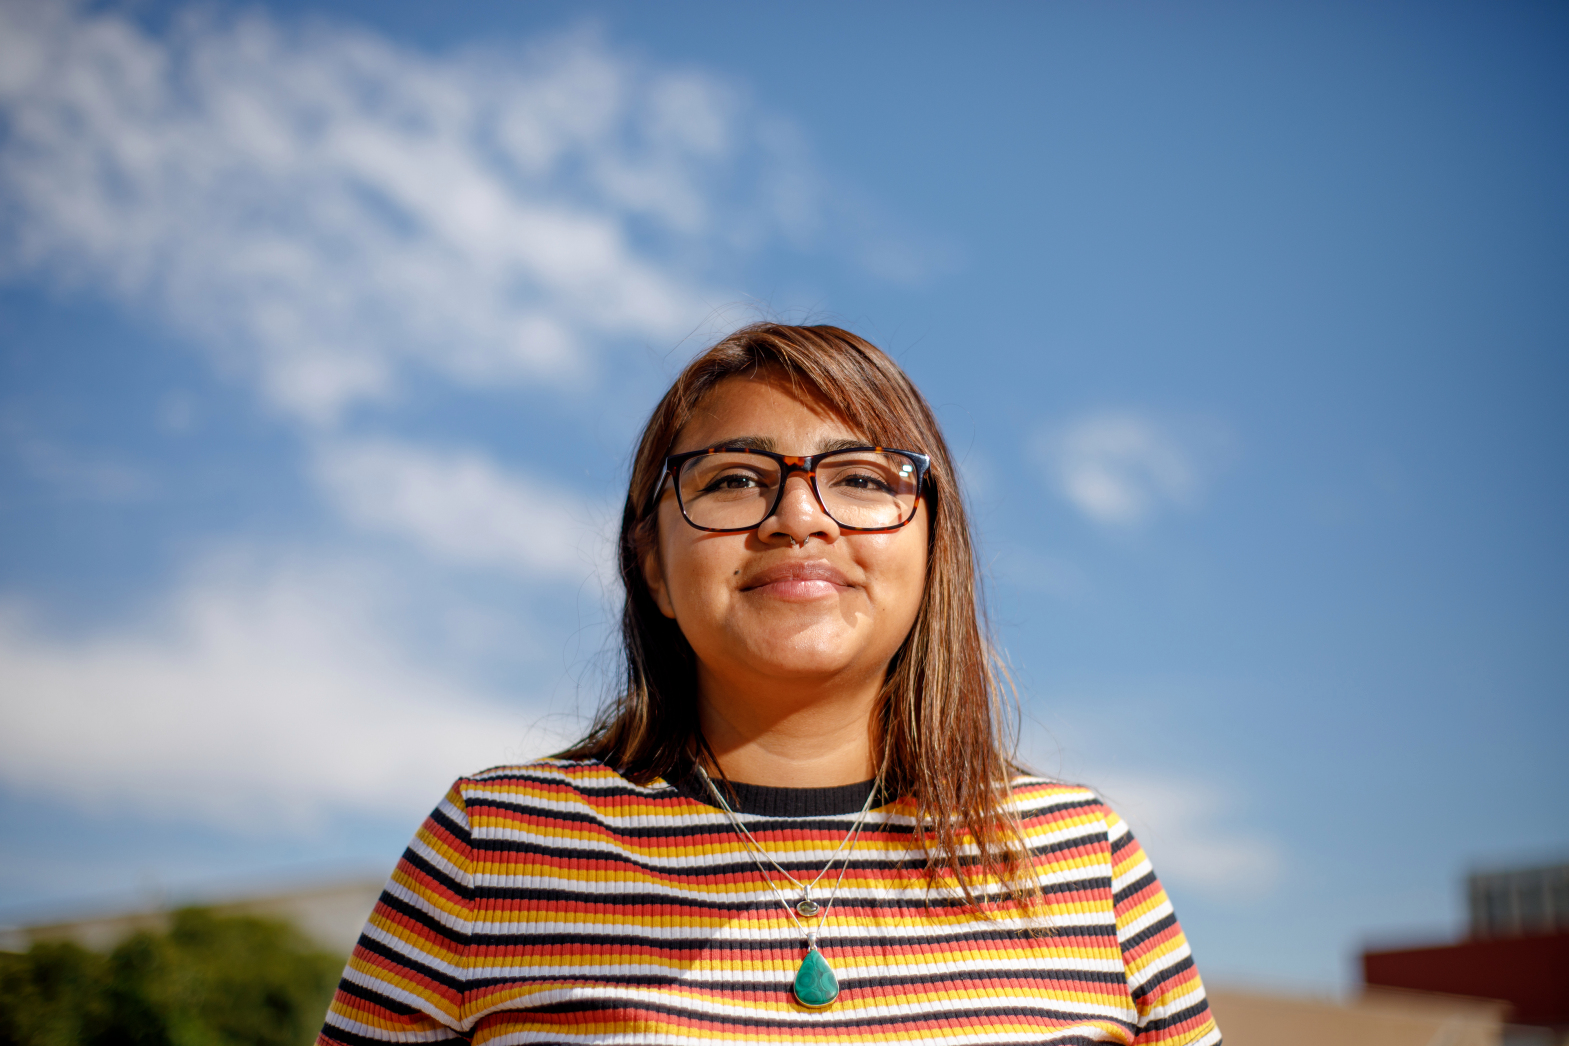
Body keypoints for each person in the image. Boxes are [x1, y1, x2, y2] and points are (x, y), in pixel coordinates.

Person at [316, 324, 1222, 1045]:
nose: (798, 517)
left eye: (861, 479)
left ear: (931, 553)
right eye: (735, 479)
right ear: (654, 569)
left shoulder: (1086, 859)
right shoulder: (490, 847)